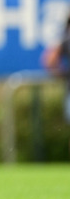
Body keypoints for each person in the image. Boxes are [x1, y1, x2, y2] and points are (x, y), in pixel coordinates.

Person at [42, 13, 70, 156]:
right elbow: (50, 60)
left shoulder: (65, 39)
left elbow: (49, 60)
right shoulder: (65, 40)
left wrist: (61, 74)